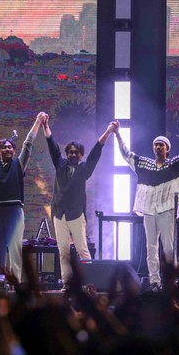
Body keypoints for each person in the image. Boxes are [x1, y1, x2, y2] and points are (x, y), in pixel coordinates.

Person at [115, 120, 179, 292]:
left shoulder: (175, 164)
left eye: (161, 145)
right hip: (149, 209)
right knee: (151, 247)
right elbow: (126, 153)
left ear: (167, 149)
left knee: (169, 247)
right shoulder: (144, 164)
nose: (158, 147)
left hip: (166, 209)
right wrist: (118, 134)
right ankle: (155, 281)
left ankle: (170, 281)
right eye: (156, 145)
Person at [41, 113, 117, 290]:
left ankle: (88, 282)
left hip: (76, 214)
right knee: (63, 252)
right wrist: (45, 125)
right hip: (59, 214)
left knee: (83, 250)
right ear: (67, 154)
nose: (73, 154)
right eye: (70, 152)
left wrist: (108, 131)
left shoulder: (84, 169)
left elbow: (96, 151)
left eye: (76, 152)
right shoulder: (60, 165)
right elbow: (52, 145)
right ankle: (67, 283)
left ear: (81, 155)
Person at [0, 114, 42, 282]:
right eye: (4, 147)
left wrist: (37, 121)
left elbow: (28, 143)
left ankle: (16, 284)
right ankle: (0, 284)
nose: (8, 149)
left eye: (10, 147)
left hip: (15, 212)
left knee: (15, 250)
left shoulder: (19, 164)